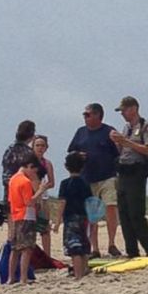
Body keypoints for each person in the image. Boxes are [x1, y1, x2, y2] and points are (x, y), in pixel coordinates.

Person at [67, 103, 121, 258]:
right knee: (92, 214)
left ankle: (111, 243)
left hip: (107, 176)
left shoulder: (109, 131)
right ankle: (94, 248)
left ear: (98, 115)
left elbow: (118, 152)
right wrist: (78, 155)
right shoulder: (80, 132)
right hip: (87, 178)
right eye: (84, 115)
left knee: (111, 207)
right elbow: (71, 151)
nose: (85, 117)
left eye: (88, 114)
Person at [110, 96, 148, 258]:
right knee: (124, 214)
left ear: (133, 109)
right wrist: (117, 143)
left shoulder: (146, 126)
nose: (123, 114)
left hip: (136, 173)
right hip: (123, 172)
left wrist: (127, 142)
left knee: (136, 214)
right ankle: (132, 250)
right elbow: (123, 150)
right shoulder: (126, 128)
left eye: (124, 110)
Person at [7, 153, 50, 284]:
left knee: (15, 249)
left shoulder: (13, 179)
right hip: (26, 216)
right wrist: (40, 191)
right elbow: (29, 202)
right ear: (29, 167)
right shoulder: (25, 182)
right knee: (27, 249)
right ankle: (23, 278)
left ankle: (11, 277)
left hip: (16, 216)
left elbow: (10, 200)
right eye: (34, 171)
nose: (34, 175)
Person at [58, 151, 91, 279]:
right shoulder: (85, 183)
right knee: (84, 244)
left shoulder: (65, 184)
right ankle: (84, 271)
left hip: (70, 218)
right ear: (82, 167)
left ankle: (78, 275)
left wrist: (57, 221)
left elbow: (62, 202)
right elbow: (90, 202)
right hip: (83, 217)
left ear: (66, 167)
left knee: (74, 247)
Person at [1, 119, 36, 240]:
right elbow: (33, 175)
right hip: (23, 194)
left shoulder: (9, 150)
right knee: (23, 235)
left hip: (9, 192)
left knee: (12, 232)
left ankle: (9, 256)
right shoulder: (29, 153)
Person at [31, 134, 56, 256]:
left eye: (42, 145)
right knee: (30, 229)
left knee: (45, 228)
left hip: (44, 197)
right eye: (37, 145)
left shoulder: (47, 163)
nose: (40, 148)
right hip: (30, 198)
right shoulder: (28, 163)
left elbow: (52, 182)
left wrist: (43, 187)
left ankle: (47, 255)